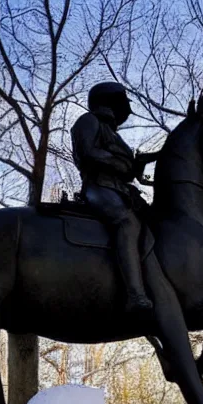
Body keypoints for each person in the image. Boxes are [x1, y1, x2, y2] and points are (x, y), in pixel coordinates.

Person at [70, 82, 152, 312]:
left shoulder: (116, 136)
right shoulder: (89, 121)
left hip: (121, 190)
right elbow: (87, 153)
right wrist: (119, 163)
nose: (126, 107)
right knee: (126, 222)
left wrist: (139, 163)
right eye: (123, 101)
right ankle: (135, 294)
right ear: (111, 102)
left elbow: (129, 172)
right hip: (98, 186)